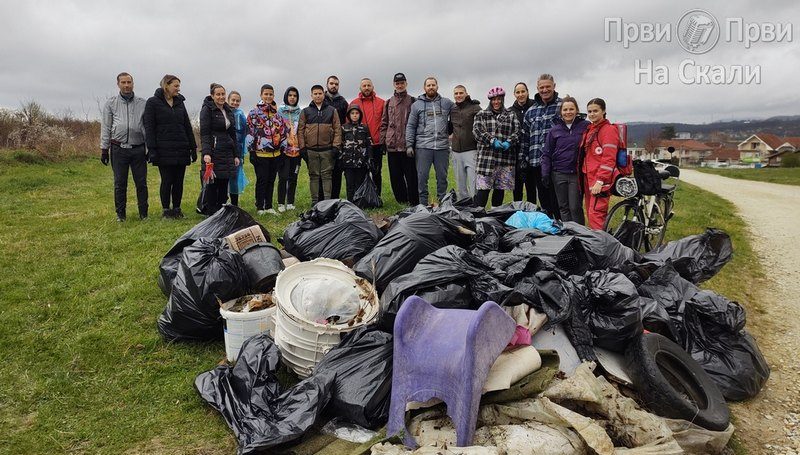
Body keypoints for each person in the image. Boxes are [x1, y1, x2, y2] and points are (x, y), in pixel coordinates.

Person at [143, 74, 197, 219]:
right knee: (167, 180)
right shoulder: (152, 103)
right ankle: (166, 210)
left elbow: (186, 125)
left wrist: (193, 147)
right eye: (176, 86)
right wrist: (152, 149)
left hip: (181, 147)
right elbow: (149, 127)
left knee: (179, 181)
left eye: (179, 86)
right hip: (163, 149)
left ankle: (177, 209)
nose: (178, 89)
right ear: (166, 85)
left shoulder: (180, 102)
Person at [100, 72, 148, 221]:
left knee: (141, 183)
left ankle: (143, 213)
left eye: (129, 82)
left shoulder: (143, 103)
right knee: (120, 183)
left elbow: (147, 126)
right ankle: (120, 214)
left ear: (133, 84)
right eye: (123, 82)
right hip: (118, 148)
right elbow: (106, 126)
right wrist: (104, 149)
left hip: (138, 148)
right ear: (118, 84)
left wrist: (149, 149)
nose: (126, 85)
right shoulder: (111, 103)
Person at [405, 76, 454, 205]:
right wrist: (409, 145)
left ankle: (443, 203)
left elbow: (459, 110)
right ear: (424, 88)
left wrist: (470, 103)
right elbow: (411, 125)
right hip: (423, 147)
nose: (431, 87)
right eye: (428, 85)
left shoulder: (446, 103)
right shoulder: (416, 105)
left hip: (442, 147)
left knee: (442, 178)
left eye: (433, 85)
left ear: (437, 87)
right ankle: (423, 205)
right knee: (422, 178)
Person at [542, 96, 589, 224]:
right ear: (561, 112)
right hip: (558, 174)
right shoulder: (554, 130)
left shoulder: (585, 126)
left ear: (577, 110)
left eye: (571, 109)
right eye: (565, 109)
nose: (568, 112)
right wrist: (545, 173)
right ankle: (568, 233)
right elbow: (547, 153)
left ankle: (580, 233)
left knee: (575, 206)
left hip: (575, 173)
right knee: (563, 207)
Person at [521, 74, 562, 218]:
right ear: (537, 88)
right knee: (544, 201)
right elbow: (525, 137)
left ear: (554, 86)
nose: (544, 90)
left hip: (557, 164)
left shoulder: (562, 107)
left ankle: (562, 229)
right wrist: (523, 159)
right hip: (536, 162)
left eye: (547, 87)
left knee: (558, 201)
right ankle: (548, 231)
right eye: (541, 87)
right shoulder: (531, 111)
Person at [472, 86, 520, 208]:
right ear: (490, 101)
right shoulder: (481, 114)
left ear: (502, 99)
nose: (496, 102)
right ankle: (478, 217)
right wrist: (491, 140)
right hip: (486, 160)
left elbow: (518, 132)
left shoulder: (511, 115)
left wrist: (509, 142)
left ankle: (495, 217)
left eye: (499, 99)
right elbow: (477, 131)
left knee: (499, 192)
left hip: (504, 159)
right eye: (493, 99)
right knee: (482, 192)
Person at [246, 84, 288, 215]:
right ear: (261, 95)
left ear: (273, 96)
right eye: (266, 94)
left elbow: (283, 131)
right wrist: (251, 151)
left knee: (271, 180)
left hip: (275, 154)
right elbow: (249, 132)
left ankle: (269, 206)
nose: (268, 96)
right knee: (262, 180)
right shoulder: (254, 113)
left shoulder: (277, 115)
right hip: (260, 153)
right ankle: (260, 206)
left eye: (271, 94)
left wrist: (282, 149)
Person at [199, 83, 240, 215]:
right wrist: (206, 153)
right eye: (218, 94)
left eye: (223, 94)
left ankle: (221, 212)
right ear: (212, 96)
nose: (221, 97)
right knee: (213, 183)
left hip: (227, 150)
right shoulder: (207, 109)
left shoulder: (228, 110)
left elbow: (232, 133)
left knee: (224, 181)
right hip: (214, 150)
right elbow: (204, 133)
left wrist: (236, 154)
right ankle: (211, 212)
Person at [298, 84, 342, 205]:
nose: (318, 96)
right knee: (314, 176)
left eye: (320, 93)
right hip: (311, 150)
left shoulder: (332, 111)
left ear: (324, 94)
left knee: (327, 175)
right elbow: (300, 131)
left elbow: (337, 129)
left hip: (327, 149)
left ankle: (327, 202)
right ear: (311, 95)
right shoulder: (305, 111)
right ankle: (315, 202)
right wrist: (302, 148)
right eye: (315, 94)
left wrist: (335, 146)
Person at [580, 98, 619, 230]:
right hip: (588, 176)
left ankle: (601, 247)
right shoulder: (591, 129)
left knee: (596, 214)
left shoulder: (608, 130)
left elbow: (609, 158)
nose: (592, 114)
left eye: (595, 111)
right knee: (591, 214)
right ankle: (597, 243)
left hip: (599, 179)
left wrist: (600, 180)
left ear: (604, 111)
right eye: (589, 111)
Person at [380, 72, 418, 205]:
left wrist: (413, 143)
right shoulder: (388, 102)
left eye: (402, 83)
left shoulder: (413, 101)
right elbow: (384, 123)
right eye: (397, 83)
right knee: (395, 176)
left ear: (406, 84)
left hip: (408, 145)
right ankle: (401, 200)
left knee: (411, 175)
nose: (400, 85)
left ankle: (413, 200)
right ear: (394, 85)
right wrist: (383, 141)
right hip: (392, 145)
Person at [350, 78, 385, 197]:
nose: (366, 88)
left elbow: (385, 122)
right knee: (361, 172)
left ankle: (377, 196)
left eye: (369, 85)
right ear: (360, 88)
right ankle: (362, 196)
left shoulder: (381, 102)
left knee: (376, 171)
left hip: (376, 144)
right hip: (360, 145)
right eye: (364, 85)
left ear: (373, 87)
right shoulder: (354, 103)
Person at [449, 84, 481, 200]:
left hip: (471, 150)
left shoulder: (475, 108)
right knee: (460, 183)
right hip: (456, 151)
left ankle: (476, 206)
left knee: (473, 182)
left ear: (466, 94)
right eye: (456, 93)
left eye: (461, 93)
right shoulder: (452, 110)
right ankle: (463, 207)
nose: (458, 95)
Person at [508, 82, 534, 202]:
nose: (520, 94)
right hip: (515, 155)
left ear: (527, 92)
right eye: (517, 92)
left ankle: (532, 214)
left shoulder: (535, 107)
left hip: (532, 153)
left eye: (523, 91)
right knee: (517, 188)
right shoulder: (510, 111)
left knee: (531, 188)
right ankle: (517, 215)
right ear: (514, 94)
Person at [277, 86, 302, 211]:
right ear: (286, 96)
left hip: (297, 151)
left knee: (293, 177)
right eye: (290, 95)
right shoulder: (279, 111)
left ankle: (291, 202)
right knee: (283, 177)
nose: (292, 98)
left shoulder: (300, 112)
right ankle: (281, 203)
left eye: (295, 96)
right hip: (283, 150)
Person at [340, 104, 372, 201]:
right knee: (350, 184)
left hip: (361, 162)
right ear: (349, 115)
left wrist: (370, 158)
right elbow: (340, 144)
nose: (355, 115)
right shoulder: (344, 128)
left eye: (357, 113)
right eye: (352, 113)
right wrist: (340, 158)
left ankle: (359, 203)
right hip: (348, 162)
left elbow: (369, 144)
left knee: (359, 183)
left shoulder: (364, 128)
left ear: (360, 115)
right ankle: (350, 202)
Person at [326, 76, 348, 199]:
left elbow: (346, 121)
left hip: (338, 142)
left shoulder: (343, 102)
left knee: (337, 172)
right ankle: (323, 198)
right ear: (327, 84)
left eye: (336, 84)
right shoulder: (321, 99)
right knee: (324, 173)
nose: (334, 86)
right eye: (331, 83)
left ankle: (335, 198)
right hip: (323, 143)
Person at [227, 91, 249, 207]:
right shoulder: (224, 112)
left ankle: (234, 204)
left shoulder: (241, 114)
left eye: (237, 101)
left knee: (235, 177)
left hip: (238, 150)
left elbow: (245, 131)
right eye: (233, 100)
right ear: (228, 100)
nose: (235, 103)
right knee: (225, 176)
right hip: (225, 149)